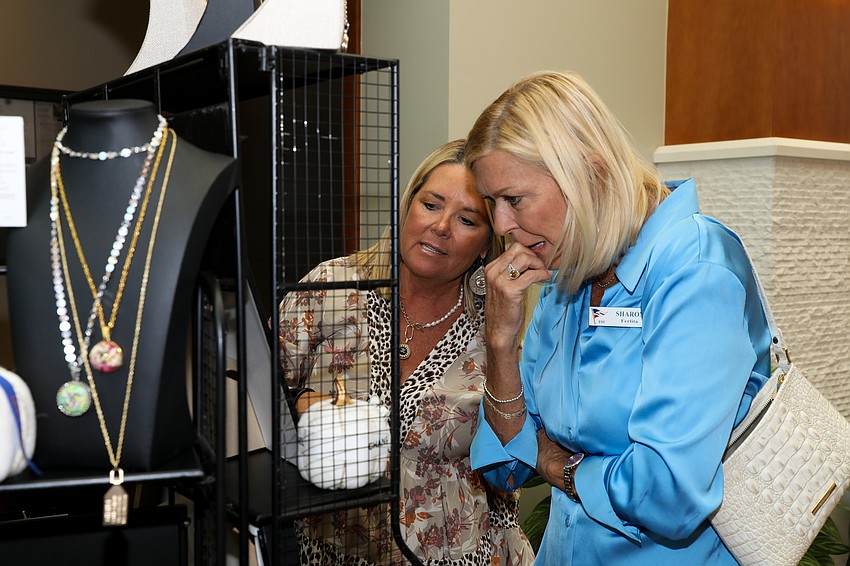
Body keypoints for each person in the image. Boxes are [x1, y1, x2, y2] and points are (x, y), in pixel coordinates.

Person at [465, 71, 772, 565]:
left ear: (590, 173)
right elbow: (505, 466)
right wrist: (501, 342)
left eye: (514, 199)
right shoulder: (567, 268)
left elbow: (668, 493)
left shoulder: (697, 269)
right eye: (491, 202)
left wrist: (558, 466)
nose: (500, 225)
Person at [277, 139, 535, 565]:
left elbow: (513, 467)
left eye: (467, 219)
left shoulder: (495, 331)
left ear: (486, 245)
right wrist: (301, 403)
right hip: (333, 551)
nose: (441, 226)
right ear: (407, 208)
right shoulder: (331, 289)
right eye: (431, 205)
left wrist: (501, 342)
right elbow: (253, 394)